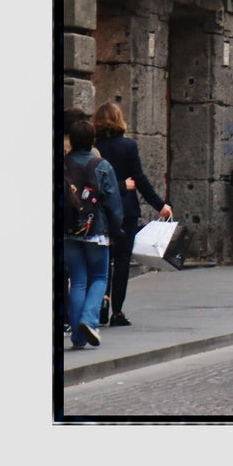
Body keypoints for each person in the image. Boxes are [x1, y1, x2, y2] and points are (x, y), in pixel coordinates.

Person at [92, 101, 172, 325]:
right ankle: (117, 311)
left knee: (103, 258)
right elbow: (140, 180)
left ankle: (102, 301)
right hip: (126, 210)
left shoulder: (95, 146)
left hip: (102, 210)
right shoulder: (129, 146)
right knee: (123, 260)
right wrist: (160, 205)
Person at [63, 114, 124, 349]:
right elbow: (113, 203)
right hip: (96, 229)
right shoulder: (102, 166)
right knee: (99, 277)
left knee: (77, 280)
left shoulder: (62, 163)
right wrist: (116, 231)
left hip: (69, 230)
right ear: (92, 140)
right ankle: (89, 320)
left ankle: (78, 337)